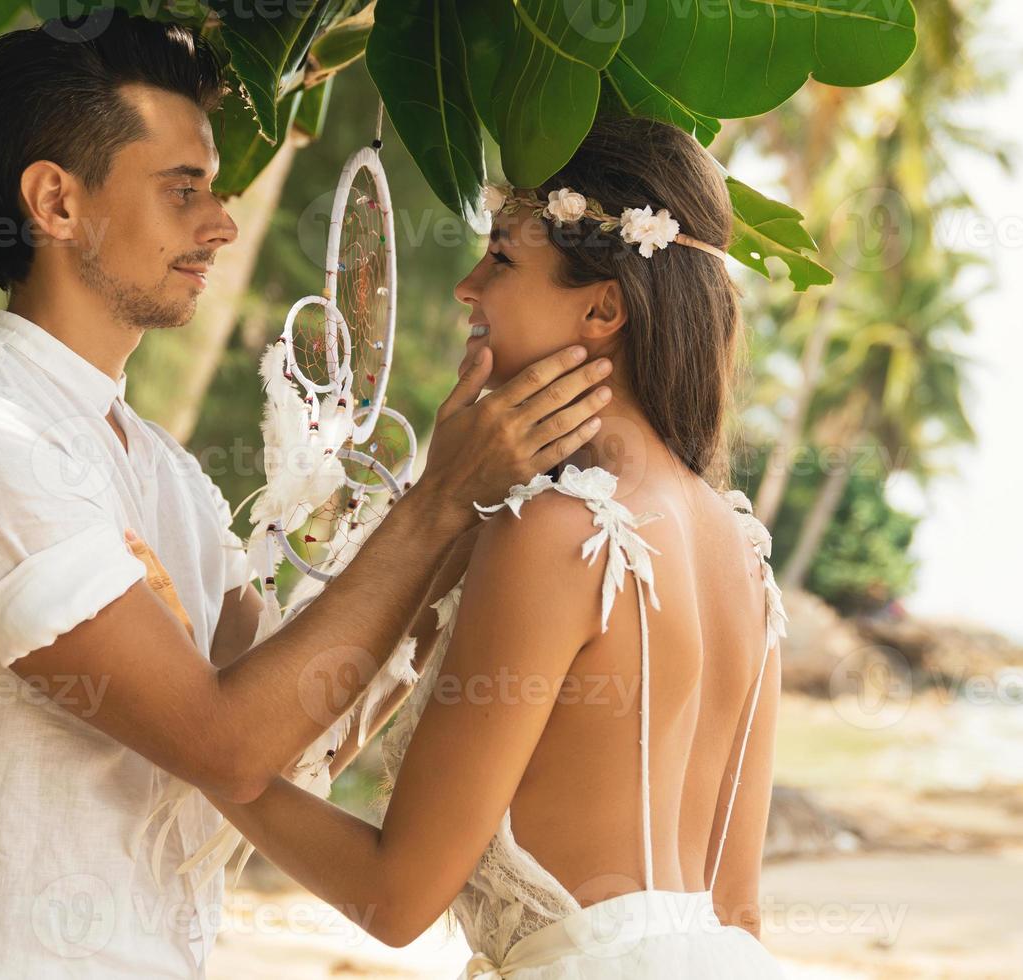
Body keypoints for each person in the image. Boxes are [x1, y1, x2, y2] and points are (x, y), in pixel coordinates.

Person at [0, 15, 610, 979]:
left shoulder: (162, 468)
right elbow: (227, 743)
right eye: (185, 190)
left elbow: (304, 738)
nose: (222, 222)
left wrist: (463, 525)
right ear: (55, 202)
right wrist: (435, 509)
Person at [154, 115, 793, 977]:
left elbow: (397, 898)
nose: (466, 287)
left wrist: (203, 743)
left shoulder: (561, 535)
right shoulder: (744, 555)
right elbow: (737, 915)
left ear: (604, 307)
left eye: (499, 258)